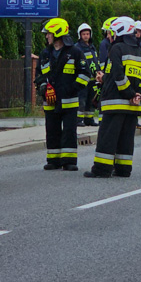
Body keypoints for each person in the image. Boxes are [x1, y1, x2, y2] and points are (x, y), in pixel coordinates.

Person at [85, 16, 141, 178]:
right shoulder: (139, 51)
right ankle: (123, 169)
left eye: (112, 33)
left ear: (121, 31)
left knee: (107, 137)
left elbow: (118, 75)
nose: (109, 36)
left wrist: (130, 94)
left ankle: (101, 169)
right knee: (126, 139)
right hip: (133, 106)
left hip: (115, 104)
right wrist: (139, 95)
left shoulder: (116, 49)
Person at [34, 18, 90, 171]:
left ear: (57, 34)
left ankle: (69, 161)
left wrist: (72, 88)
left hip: (69, 101)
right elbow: (39, 75)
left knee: (69, 131)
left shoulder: (75, 52)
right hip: (50, 101)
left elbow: (85, 74)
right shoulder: (45, 54)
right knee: (52, 130)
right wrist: (44, 88)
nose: (47, 37)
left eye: (49, 34)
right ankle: (53, 160)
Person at [74, 23, 99, 127]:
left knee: (91, 100)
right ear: (80, 35)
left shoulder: (92, 47)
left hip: (93, 79)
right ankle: (78, 120)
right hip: (83, 79)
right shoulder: (77, 48)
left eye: (87, 34)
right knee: (81, 99)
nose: (86, 36)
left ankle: (89, 119)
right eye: (84, 34)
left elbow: (95, 61)